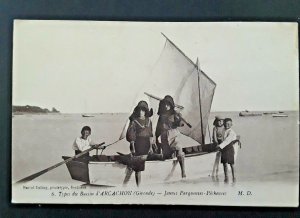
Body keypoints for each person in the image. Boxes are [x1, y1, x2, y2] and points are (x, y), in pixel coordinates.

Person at [123, 101, 154, 187]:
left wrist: (151, 147)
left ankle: (131, 164)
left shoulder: (149, 121)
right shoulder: (134, 121)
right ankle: (138, 186)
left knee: (149, 157)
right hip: (137, 144)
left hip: (147, 144)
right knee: (138, 167)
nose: (141, 112)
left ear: (145, 111)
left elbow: (151, 134)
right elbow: (131, 135)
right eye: (140, 110)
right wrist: (133, 147)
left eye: (143, 110)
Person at [155, 95, 186, 178]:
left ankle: (183, 171)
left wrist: (179, 118)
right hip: (164, 137)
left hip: (174, 135)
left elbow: (180, 124)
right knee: (167, 156)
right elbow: (158, 129)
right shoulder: (161, 116)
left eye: (168, 104)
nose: (166, 106)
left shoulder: (174, 114)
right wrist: (156, 140)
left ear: (171, 105)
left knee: (179, 150)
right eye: (165, 104)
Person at [216, 118, 240, 183]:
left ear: (231, 124)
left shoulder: (232, 132)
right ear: (223, 124)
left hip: (229, 148)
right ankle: (226, 177)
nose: (227, 125)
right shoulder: (223, 130)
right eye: (226, 124)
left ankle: (234, 177)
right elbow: (223, 138)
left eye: (229, 124)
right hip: (224, 149)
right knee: (224, 163)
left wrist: (220, 146)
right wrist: (219, 142)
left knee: (231, 164)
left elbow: (227, 141)